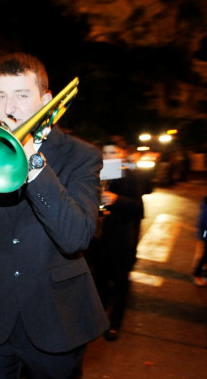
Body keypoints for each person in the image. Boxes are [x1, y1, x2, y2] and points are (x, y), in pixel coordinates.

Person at [0, 52, 109, 379]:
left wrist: (35, 166)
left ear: (46, 100)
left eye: (22, 95)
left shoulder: (81, 156)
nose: (8, 108)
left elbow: (76, 237)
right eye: (1, 95)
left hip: (56, 318)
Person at [90, 139, 144, 341]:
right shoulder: (101, 173)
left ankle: (115, 323)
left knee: (120, 282)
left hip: (121, 239)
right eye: (105, 152)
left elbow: (139, 208)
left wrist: (116, 199)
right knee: (100, 279)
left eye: (113, 152)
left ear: (121, 154)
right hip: (100, 237)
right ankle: (100, 317)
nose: (109, 156)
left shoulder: (129, 175)